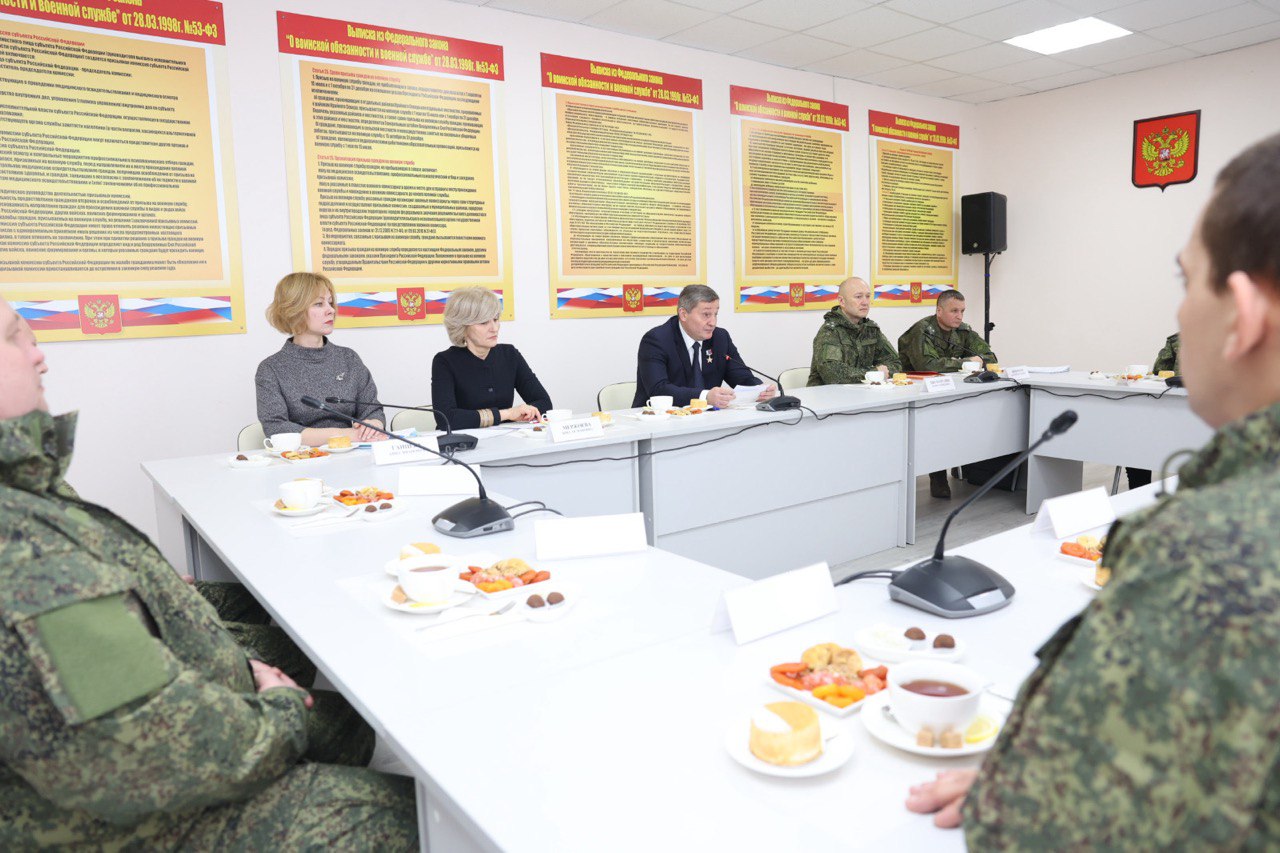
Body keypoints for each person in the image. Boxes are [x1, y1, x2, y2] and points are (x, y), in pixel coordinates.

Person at [906, 133, 1280, 848]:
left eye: (1185, 282)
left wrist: (1038, 775)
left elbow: (1047, 830)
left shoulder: (1212, 550)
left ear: (1244, 314)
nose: (1179, 315)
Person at [0, 298, 417, 848]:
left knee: (343, 716)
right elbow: (150, 751)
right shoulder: (29, 559)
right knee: (427, 818)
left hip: (187, 719)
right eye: (17, 338)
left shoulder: (25, 483)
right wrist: (280, 705)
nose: (40, 356)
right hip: (144, 817)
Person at [255, 272, 388, 445]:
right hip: (301, 461)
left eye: (330, 302)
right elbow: (277, 428)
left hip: (352, 453)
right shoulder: (271, 369)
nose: (331, 310)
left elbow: (372, 409)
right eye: (319, 304)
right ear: (293, 310)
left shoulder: (348, 358)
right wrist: (343, 435)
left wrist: (372, 425)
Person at [899, 289, 999, 498]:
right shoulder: (922, 331)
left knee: (968, 418)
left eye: (962, 311)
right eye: (954, 311)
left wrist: (972, 362)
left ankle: (964, 464)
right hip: (920, 394)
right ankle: (938, 475)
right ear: (939, 311)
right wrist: (966, 363)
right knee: (939, 426)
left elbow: (989, 356)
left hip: (951, 388)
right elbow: (927, 364)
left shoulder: (963, 330)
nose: (959, 316)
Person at [632, 284, 777, 408]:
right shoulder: (656, 340)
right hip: (657, 422)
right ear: (683, 314)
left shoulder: (720, 338)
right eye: (706, 315)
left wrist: (760, 390)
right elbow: (658, 390)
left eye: (716, 314)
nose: (713, 322)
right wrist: (705, 396)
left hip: (707, 420)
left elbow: (742, 377)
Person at [431, 285, 551, 429]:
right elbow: (446, 419)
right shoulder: (445, 362)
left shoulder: (510, 354)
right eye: (483, 322)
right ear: (462, 327)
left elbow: (544, 403)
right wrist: (507, 414)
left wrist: (525, 412)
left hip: (504, 441)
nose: (494, 328)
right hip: (463, 446)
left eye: (495, 319)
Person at [807, 276, 901, 385]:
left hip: (862, 394)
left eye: (868, 296)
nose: (865, 302)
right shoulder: (830, 332)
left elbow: (895, 362)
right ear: (842, 301)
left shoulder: (870, 330)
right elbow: (833, 374)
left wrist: (879, 372)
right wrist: (873, 373)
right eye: (858, 297)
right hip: (828, 397)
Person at [1127, 331, 1183, 488]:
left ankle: (1137, 494)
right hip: (1207, 421)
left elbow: (1159, 371)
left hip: (1174, 417)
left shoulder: (1177, 340)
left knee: (1137, 445)